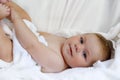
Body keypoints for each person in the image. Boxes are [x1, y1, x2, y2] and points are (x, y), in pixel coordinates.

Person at [0, 1, 114, 73]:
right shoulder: (63, 40)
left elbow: (32, 45)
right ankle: (6, 3)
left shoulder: (58, 62)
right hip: (23, 35)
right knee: (27, 18)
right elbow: (38, 34)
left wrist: (16, 19)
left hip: (19, 53)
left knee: (6, 53)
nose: (78, 47)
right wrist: (22, 21)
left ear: (83, 68)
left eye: (84, 54)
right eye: (81, 40)